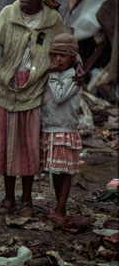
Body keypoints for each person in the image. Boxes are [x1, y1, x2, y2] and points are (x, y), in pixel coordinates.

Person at [0, 0, 82, 218]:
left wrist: (79, 63)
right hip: (8, 90)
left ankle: (27, 200)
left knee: (29, 149)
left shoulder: (52, 20)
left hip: (35, 91)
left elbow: (67, 46)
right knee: (7, 147)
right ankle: (8, 199)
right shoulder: (8, 13)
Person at [40, 33, 82, 218]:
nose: (57, 59)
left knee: (65, 172)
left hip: (64, 129)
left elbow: (58, 97)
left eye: (62, 56)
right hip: (51, 128)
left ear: (73, 58)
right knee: (56, 171)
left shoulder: (73, 76)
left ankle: (60, 208)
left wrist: (54, 74)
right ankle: (60, 207)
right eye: (54, 55)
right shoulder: (53, 74)